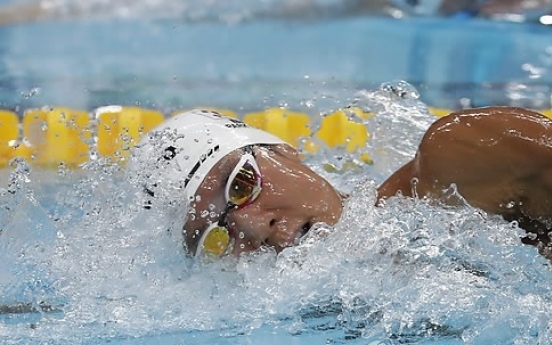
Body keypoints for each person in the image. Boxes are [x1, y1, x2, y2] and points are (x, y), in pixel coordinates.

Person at [133, 106, 552, 259]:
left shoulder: (465, 157)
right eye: (217, 235)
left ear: (284, 151)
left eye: (241, 186)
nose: (255, 229)